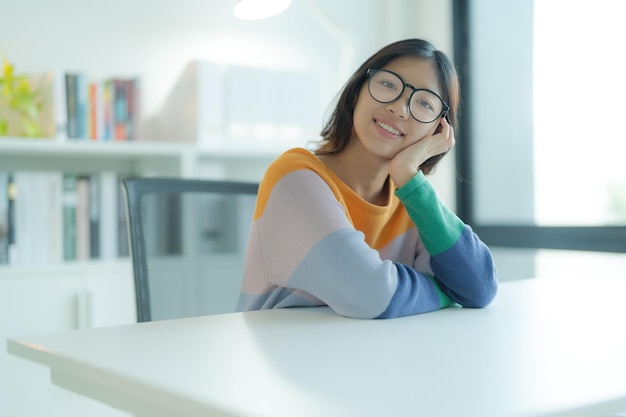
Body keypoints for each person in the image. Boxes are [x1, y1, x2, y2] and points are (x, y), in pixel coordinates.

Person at [236, 38, 497, 319]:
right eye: (388, 85)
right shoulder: (295, 178)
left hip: (371, 358)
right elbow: (373, 295)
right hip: (285, 358)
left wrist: (410, 178)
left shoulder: (410, 196)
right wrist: (446, 291)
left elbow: (479, 287)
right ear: (357, 90)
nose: (400, 108)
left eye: (424, 102)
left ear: (438, 129)